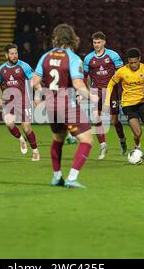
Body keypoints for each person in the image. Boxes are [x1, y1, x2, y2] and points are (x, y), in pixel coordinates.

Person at [32, 24, 99, 188]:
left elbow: (33, 81)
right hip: (66, 104)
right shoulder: (73, 58)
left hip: (50, 105)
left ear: (56, 38)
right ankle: (72, 177)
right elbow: (77, 84)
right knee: (87, 140)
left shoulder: (45, 56)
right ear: (72, 38)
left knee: (58, 139)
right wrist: (91, 96)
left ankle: (57, 177)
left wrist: (40, 93)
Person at [104, 48, 144, 164]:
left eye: (135, 62)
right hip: (128, 104)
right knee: (137, 133)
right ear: (128, 61)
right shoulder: (122, 71)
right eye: (131, 63)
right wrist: (106, 102)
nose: (133, 65)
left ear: (139, 59)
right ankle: (137, 145)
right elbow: (110, 84)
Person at [83, 31, 127, 159]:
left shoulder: (113, 55)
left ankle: (122, 140)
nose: (96, 45)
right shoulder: (88, 58)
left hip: (110, 91)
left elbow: (122, 72)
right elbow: (84, 76)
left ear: (104, 42)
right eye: (94, 42)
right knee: (96, 118)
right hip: (95, 91)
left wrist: (123, 88)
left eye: (99, 42)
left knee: (114, 120)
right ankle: (103, 146)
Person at [0, 43, 40, 161]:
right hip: (9, 102)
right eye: (12, 54)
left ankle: (35, 151)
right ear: (6, 55)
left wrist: (37, 96)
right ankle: (21, 139)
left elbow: (34, 81)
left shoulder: (24, 66)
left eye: (16, 53)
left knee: (26, 128)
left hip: (24, 101)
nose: (15, 56)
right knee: (9, 124)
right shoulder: (1, 69)